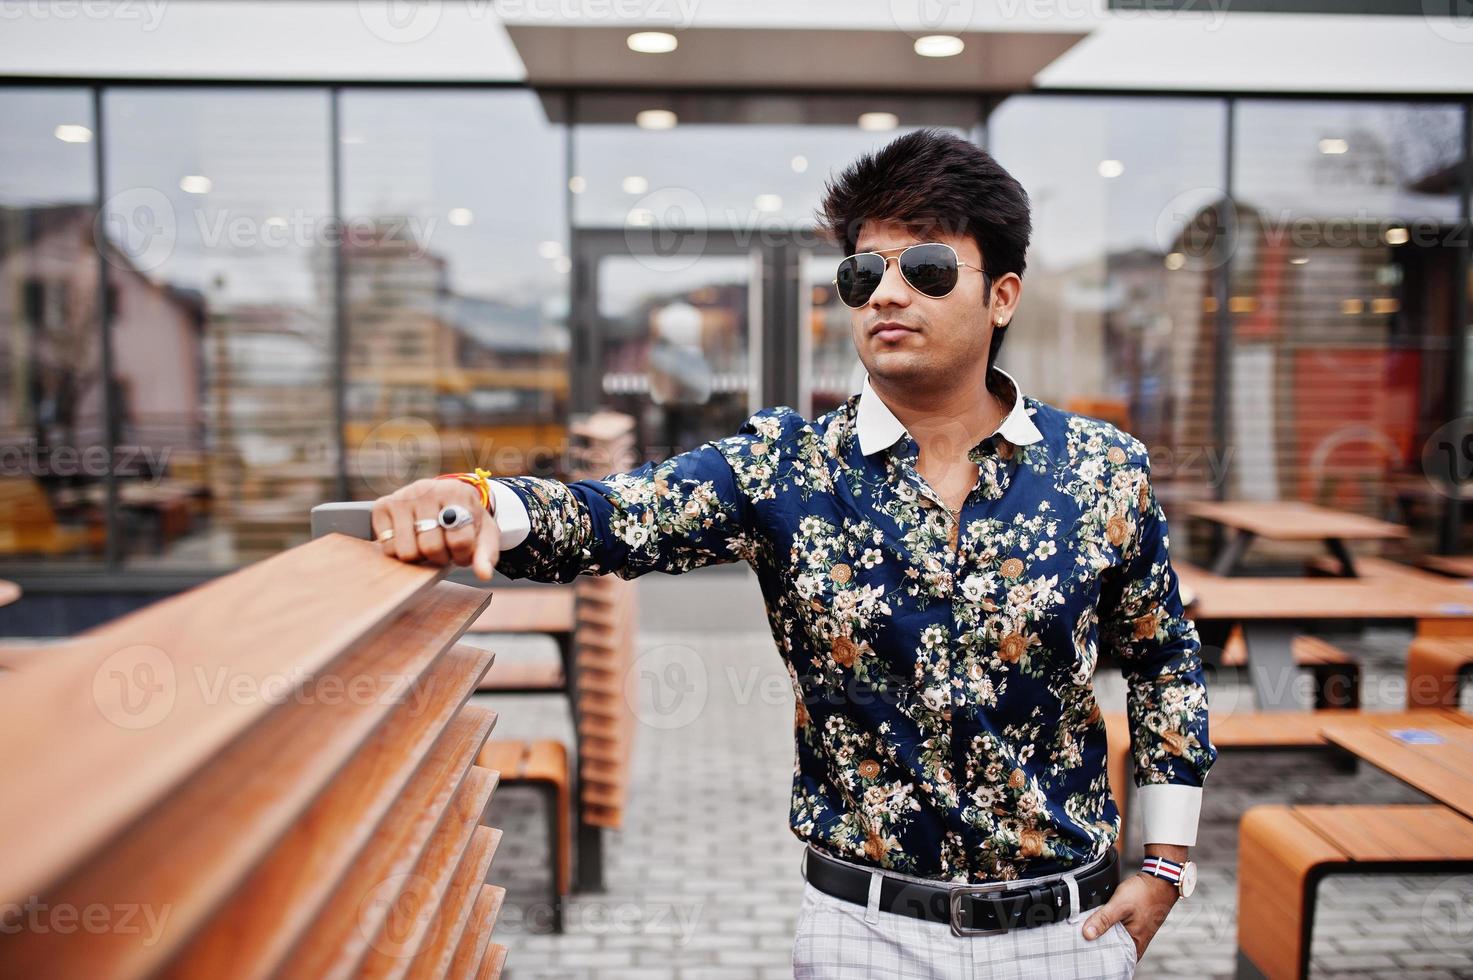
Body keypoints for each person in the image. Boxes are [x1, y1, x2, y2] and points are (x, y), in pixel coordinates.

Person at [370, 128, 1215, 979]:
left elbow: (1162, 660)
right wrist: (479, 499)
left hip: (1065, 932)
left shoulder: (1101, 469)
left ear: (1000, 296)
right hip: (865, 934)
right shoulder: (786, 468)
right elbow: (611, 514)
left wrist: (1166, 865)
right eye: (861, 273)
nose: (885, 293)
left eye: (923, 268)